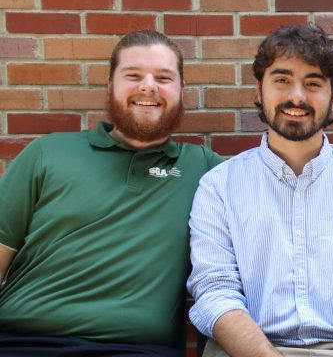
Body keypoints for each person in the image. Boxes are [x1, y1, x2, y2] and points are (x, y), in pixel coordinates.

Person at [186, 24, 333, 357]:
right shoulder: (219, 187)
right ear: (259, 91)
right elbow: (216, 292)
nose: (297, 96)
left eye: (313, 83)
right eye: (281, 80)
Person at [0, 30, 223, 356]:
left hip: (135, 349)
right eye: (133, 75)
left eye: (163, 77)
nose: (148, 85)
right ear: (110, 86)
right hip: (20, 342)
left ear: (181, 91)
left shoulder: (204, 169)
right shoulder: (47, 154)